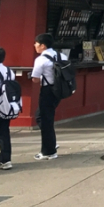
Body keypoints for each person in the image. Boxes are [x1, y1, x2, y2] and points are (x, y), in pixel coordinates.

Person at [31, 33, 61, 161]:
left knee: (45, 119)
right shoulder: (60, 55)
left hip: (47, 90)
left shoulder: (41, 60)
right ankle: (51, 142)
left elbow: (35, 79)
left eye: (36, 43)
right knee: (43, 117)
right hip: (58, 90)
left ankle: (49, 151)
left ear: (43, 46)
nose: (35, 46)